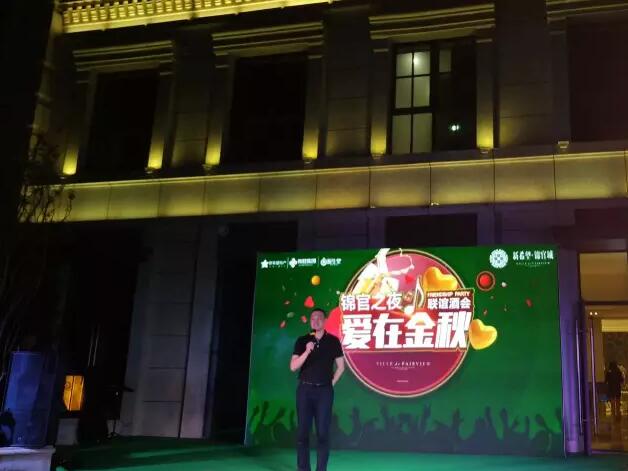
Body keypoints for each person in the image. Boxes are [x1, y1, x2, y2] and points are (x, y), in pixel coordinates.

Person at [290, 308, 345, 471]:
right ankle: (303, 468)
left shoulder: (333, 341)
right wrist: (307, 351)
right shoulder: (302, 341)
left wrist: (331, 383)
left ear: (325, 320)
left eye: (319, 318)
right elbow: (293, 366)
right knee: (302, 433)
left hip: (324, 392)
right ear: (310, 321)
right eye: (313, 318)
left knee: (323, 433)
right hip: (305, 390)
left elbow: (341, 367)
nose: (316, 321)